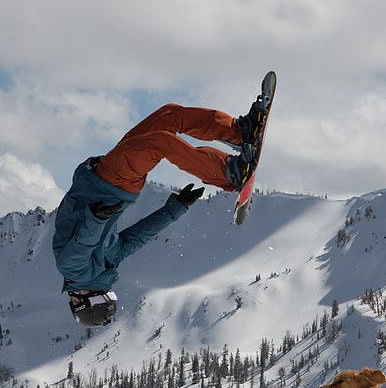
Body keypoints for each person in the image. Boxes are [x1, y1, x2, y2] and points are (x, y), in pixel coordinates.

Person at [53, 95, 266, 327]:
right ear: (87, 301)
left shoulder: (75, 270)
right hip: (110, 180)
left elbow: (86, 243)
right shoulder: (98, 266)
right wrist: (176, 209)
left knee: (169, 115)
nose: (71, 296)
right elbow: (133, 237)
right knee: (161, 142)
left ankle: (240, 131)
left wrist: (175, 208)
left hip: (107, 178)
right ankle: (229, 173)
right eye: (75, 301)